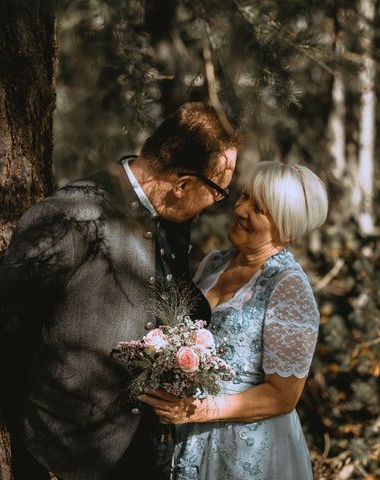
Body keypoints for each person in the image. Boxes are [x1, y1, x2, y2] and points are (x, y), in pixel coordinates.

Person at [0, 102, 238, 480]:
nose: (216, 205)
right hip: (63, 455)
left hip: (144, 453)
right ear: (182, 184)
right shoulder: (72, 216)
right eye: (219, 192)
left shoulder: (175, 221)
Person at [139, 161, 328, 480]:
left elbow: (283, 396)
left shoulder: (289, 288)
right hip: (186, 437)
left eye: (259, 209)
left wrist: (197, 410)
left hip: (247, 452)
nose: (240, 210)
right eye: (244, 197)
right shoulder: (215, 263)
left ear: (286, 227)